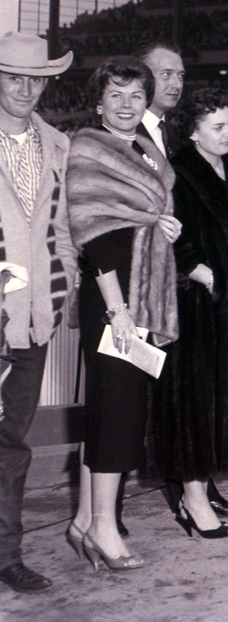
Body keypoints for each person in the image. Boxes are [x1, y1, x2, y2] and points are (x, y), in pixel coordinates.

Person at [66, 56, 181, 570]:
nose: (127, 104)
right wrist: (117, 309)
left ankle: (84, 522)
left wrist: (166, 226)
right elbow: (93, 232)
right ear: (98, 102)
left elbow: (146, 216)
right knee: (116, 413)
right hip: (112, 295)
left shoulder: (147, 150)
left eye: (136, 95)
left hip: (144, 291)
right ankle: (105, 529)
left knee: (119, 412)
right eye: (116, 94)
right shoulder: (90, 146)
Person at [148, 89, 228, 539]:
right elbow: (166, 232)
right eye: (218, 127)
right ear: (193, 131)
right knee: (197, 402)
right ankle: (194, 498)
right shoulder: (177, 172)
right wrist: (201, 272)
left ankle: (221, 485)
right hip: (199, 305)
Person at [0, 33, 77, 593]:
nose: (25, 88)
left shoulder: (57, 144)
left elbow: (62, 230)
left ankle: (6, 554)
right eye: (12, 77)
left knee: (11, 444)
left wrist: (64, 284)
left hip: (33, 320)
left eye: (35, 78)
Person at [136, 41, 185, 160]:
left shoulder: (177, 136)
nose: (178, 84)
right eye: (166, 74)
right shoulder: (117, 137)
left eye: (180, 76)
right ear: (141, 77)